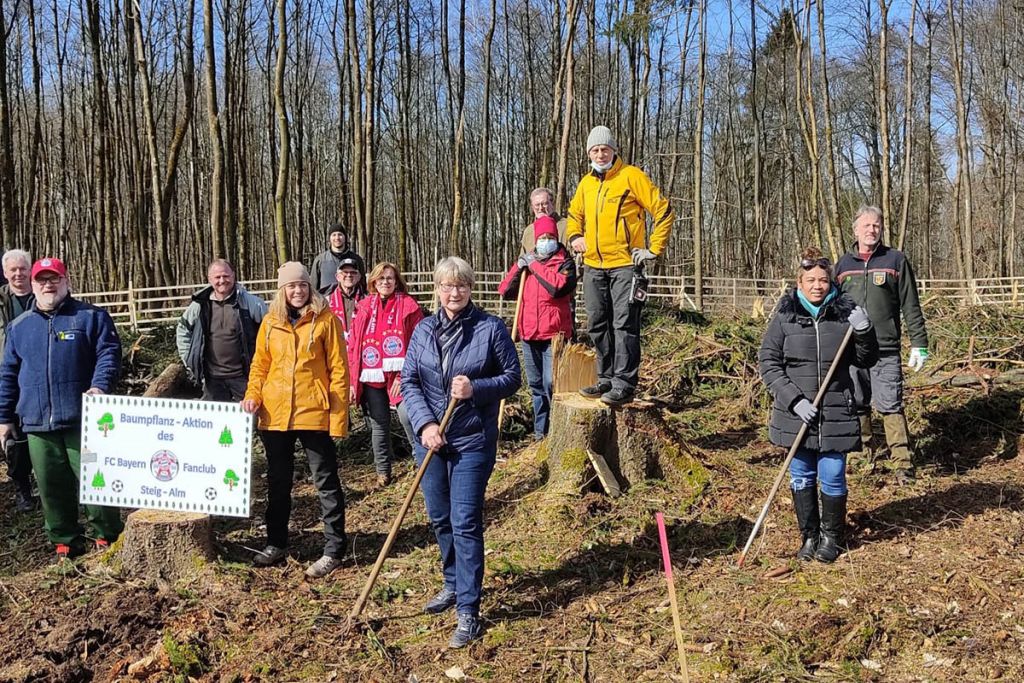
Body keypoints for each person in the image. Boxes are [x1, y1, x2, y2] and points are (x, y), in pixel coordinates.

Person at [401, 256, 520, 648]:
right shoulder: (423, 330)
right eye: (448, 286)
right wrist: (425, 425)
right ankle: (452, 583)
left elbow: (512, 378)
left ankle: (469, 609)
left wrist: (476, 390)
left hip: (472, 441)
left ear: (471, 289)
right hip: (432, 443)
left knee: (465, 520)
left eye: (462, 286)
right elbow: (410, 380)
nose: (455, 293)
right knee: (439, 517)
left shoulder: (490, 328)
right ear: (437, 289)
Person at [759, 248, 878, 563]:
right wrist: (794, 400)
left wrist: (865, 332)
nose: (817, 286)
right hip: (796, 413)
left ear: (832, 282)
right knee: (800, 473)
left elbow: (866, 359)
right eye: (810, 280)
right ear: (799, 282)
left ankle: (831, 538)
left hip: (836, 409)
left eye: (823, 280)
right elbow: (769, 363)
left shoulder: (845, 315)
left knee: (833, 472)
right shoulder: (785, 317)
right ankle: (809, 536)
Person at [0, 257, 123, 560]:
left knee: (96, 480)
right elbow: (7, 374)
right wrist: (4, 417)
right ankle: (65, 540)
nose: (48, 285)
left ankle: (107, 536)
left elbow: (108, 355)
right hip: (37, 422)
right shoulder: (19, 328)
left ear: (66, 281)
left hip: (83, 419)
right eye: (41, 280)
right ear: (32, 285)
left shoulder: (90, 318)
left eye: (54, 278)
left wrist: (99, 386)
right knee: (52, 487)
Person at [241, 262, 350, 579]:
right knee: (277, 482)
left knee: (326, 482)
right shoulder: (270, 322)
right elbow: (260, 366)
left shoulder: (325, 320)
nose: (298, 290)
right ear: (282, 290)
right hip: (274, 415)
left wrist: (338, 418)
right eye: (291, 286)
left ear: (310, 287)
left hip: (314, 413)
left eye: (303, 285)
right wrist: (253, 396)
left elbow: (339, 371)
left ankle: (334, 549)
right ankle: (276, 542)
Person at [566, 125, 675, 407]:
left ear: (614, 150)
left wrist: (653, 249)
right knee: (597, 323)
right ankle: (605, 378)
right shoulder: (586, 184)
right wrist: (575, 236)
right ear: (589, 153)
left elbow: (663, 210)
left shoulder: (631, 177)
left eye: (604, 149)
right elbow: (573, 216)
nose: (600, 154)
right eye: (594, 150)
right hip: (593, 266)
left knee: (624, 324)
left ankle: (624, 383)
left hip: (625, 265)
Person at [835, 206, 929, 484]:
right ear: (855, 230)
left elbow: (910, 304)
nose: (871, 230)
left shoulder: (895, 260)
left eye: (876, 225)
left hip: (885, 348)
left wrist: (919, 343)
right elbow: (832, 307)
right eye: (866, 225)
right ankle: (861, 456)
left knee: (890, 404)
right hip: (850, 350)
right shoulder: (842, 266)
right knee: (857, 403)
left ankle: (902, 462)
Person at [498, 215, 577, 439]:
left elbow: (557, 288)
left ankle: (557, 429)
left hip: (555, 334)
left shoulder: (565, 263)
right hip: (529, 332)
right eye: (541, 237)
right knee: (535, 385)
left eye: (550, 236)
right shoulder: (527, 265)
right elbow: (504, 290)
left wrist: (534, 266)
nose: (545, 240)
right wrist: (519, 266)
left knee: (552, 382)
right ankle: (541, 432)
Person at [347, 261, 423, 486]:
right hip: (371, 375)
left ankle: (423, 463)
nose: (385, 282)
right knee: (379, 424)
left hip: (401, 375)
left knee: (408, 416)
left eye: (390, 278)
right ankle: (383, 471)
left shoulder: (409, 305)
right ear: (373, 282)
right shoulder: (364, 306)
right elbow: (354, 345)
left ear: (396, 280)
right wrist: (353, 380)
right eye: (381, 278)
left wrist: (404, 376)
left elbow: (419, 344)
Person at [176, 259, 267, 401]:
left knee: (252, 419)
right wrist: (189, 358)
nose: (222, 280)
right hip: (212, 379)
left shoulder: (252, 304)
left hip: (245, 377)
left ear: (233, 275)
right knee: (214, 421)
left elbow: (271, 334)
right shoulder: (200, 305)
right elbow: (183, 329)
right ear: (210, 279)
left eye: (226, 276)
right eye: (217, 277)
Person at [0, 249, 37, 512]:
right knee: (12, 434)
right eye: (13, 269)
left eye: (22, 268)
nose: (18, 274)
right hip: (6, 374)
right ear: (5, 273)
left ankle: (48, 487)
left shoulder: (44, 295)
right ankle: (22, 489)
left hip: (37, 374)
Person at [311, 224, 366, 294]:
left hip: (351, 302)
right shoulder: (320, 260)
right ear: (329, 238)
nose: (337, 238)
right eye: (334, 235)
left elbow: (363, 285)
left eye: (340, 234)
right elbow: (313, 288)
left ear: (345, 237)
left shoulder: (356, 259)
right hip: (326, 302)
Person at [327, 257, 367, 341]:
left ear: (359, 277)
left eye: (353, 272)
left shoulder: (367, 300)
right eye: (345, 272)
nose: (349, 275)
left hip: (359, 347)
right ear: (337, 276)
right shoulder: (327, 301)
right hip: (335, 347)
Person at [520, 187, 568, 254]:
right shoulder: (528, 231)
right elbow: (523, 260)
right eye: (537, 205)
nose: (541, 208)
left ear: (553, 204)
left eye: (544, 204)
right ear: (532, 207)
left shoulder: (567, 226)